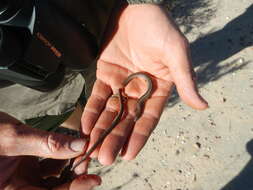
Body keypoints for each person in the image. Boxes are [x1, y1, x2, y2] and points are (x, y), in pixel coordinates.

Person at [0, 0, 208, 189]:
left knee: (94, 111)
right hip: (21, 101)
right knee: (86, 118)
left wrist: (136, 4)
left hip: (103, 36)